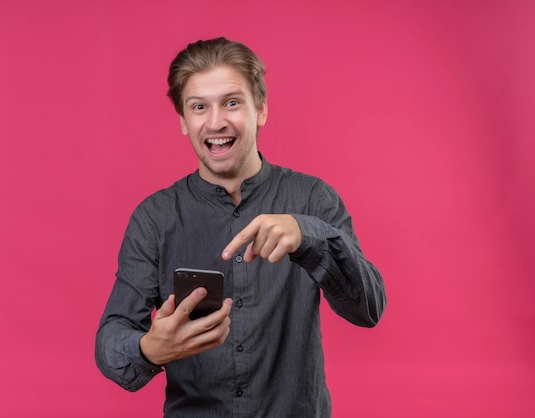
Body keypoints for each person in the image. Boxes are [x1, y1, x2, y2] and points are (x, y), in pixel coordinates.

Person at [95, 37, 387, 417]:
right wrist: (148, 349)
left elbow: (369, 308)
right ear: (184, 121)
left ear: (261, 110)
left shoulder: (315, 199)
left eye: (232, 103)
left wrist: (308, 236)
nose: (216, 122)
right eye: (199, 107)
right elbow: (110, 338)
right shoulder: (154, 218)